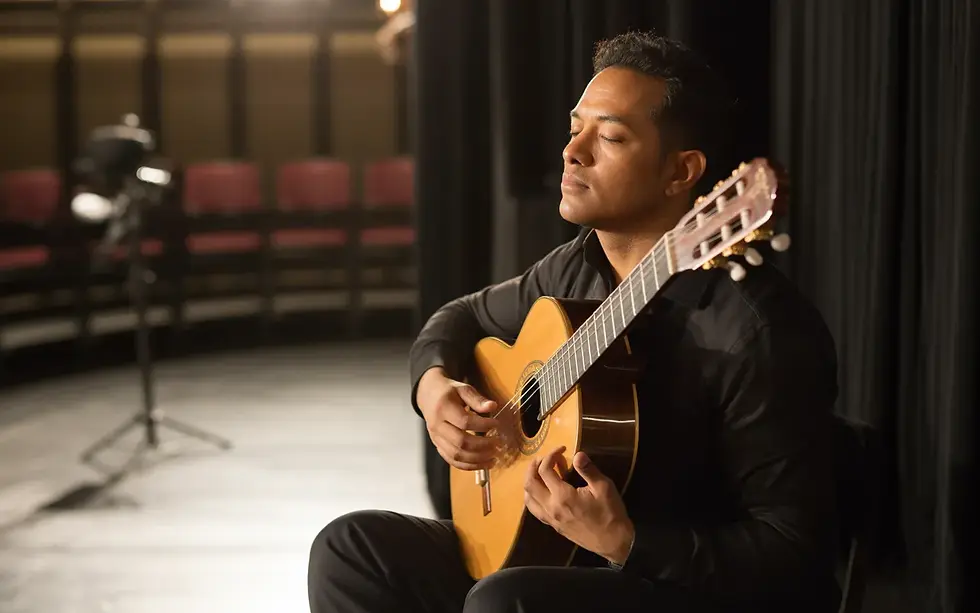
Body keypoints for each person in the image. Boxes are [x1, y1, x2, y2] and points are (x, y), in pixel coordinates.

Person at [308, 31, 841, 613]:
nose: (573, 151)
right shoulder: (574, 267)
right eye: (574, 128)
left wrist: (628, 542)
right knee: (351, 547)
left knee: (504, 601)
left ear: (682, 172)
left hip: (681, 587)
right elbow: (457, 319)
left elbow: (796, 558)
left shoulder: (757, 332)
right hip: (554, 559)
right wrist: (435, 390)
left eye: (609, 136)